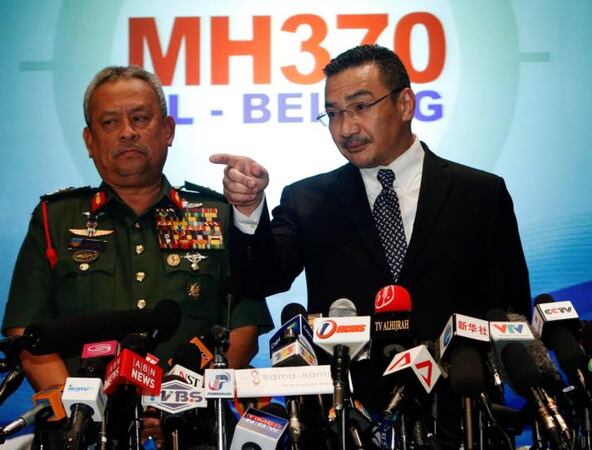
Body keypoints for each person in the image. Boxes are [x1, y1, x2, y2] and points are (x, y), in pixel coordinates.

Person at [2, 65, 272, 446]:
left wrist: (183, 403)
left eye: (140, 118)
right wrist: (85, 413)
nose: (127, 131)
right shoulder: (55, 218)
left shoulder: (215, 213)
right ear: (89, 141)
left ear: (168, 130)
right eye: (109, 122)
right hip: (80, 435)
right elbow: (25, 331)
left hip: (193, 430)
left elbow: (243, 327)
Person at [211, 44, 531, 340]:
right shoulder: (308, 201)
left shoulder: (480, 194)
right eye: (333, 113)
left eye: (360, 106)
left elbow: (512, 313)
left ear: (405, 104)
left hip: (460, 394)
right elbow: (263, 280)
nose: (345, 129)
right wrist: (249, 208)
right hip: (350, 397)